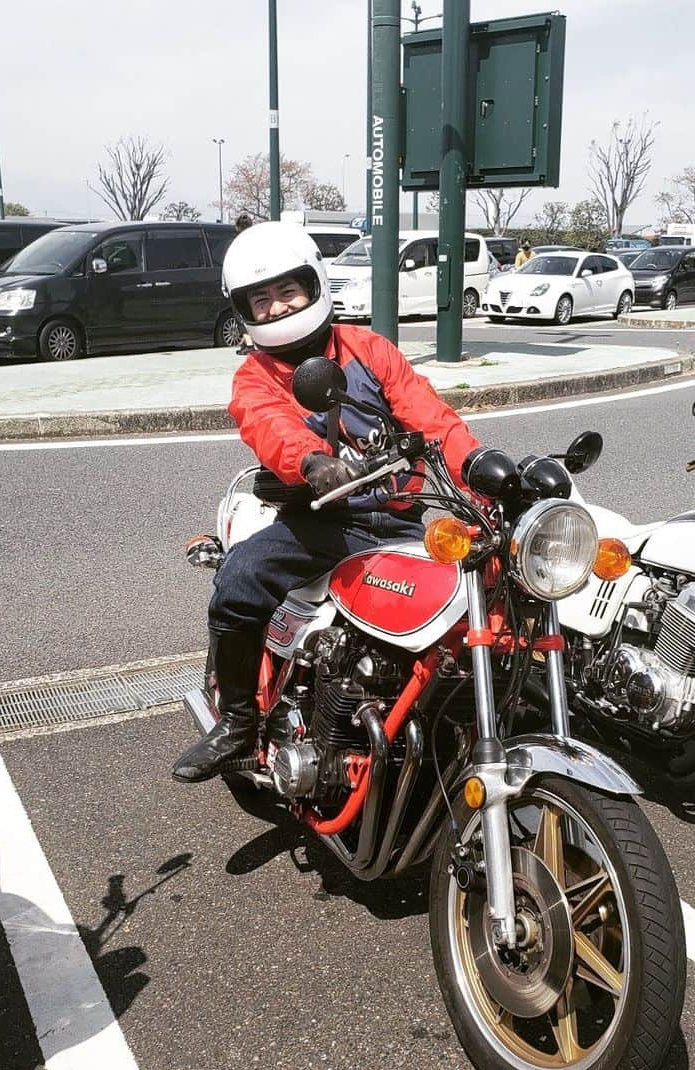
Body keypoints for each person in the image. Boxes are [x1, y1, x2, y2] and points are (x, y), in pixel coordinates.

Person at [172, 222, 488, 783]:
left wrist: (485, 478)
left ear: (314, 285)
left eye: (286, 292)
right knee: (241, 577)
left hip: (399, 515)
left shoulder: (368, 349)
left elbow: (434, 422)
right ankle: (240, 719)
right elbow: (269, 426)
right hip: (321, 520)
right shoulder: (255, 376)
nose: (274, 308)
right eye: (259, 300)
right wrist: (314, 463)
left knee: (480, 584)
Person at [234, 214, 254, 355]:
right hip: (254, 282)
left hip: (240, 282)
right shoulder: (256, 239)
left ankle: (249, 342)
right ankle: (246, 341)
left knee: (240, 314)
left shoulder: (238, 243)